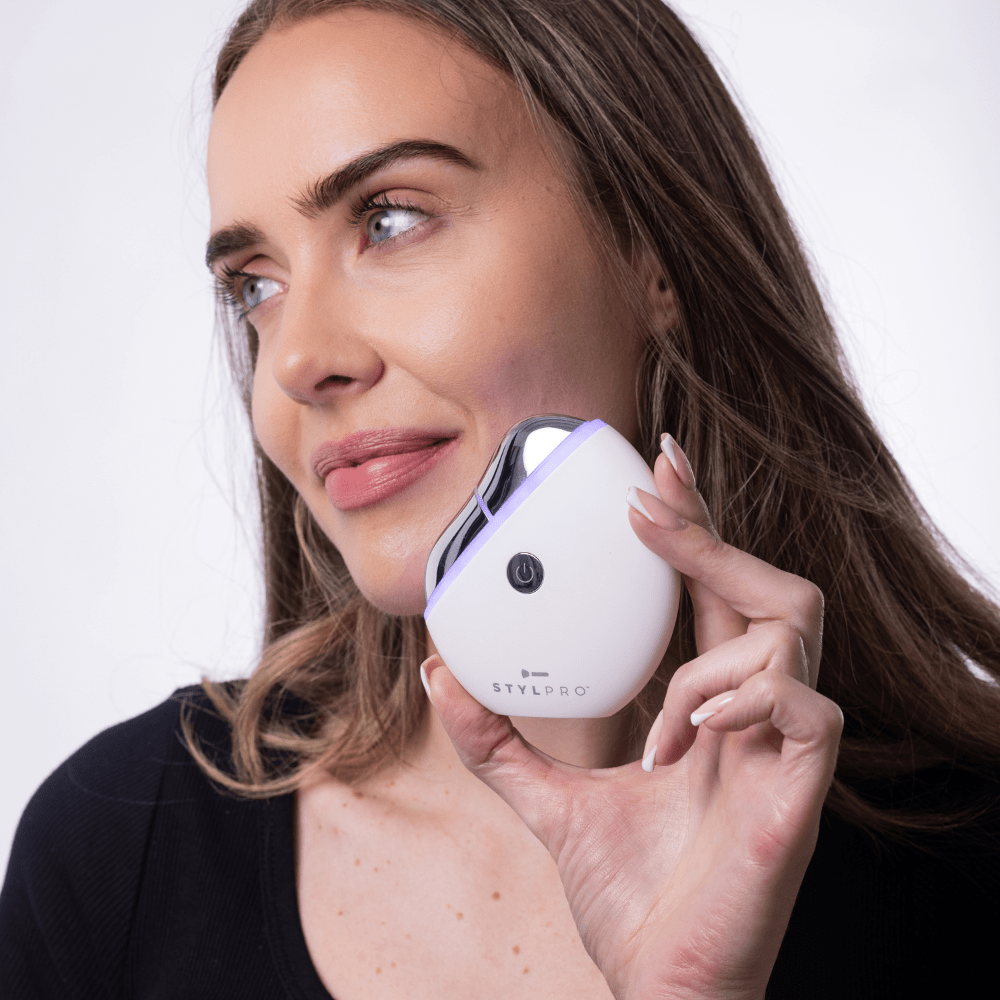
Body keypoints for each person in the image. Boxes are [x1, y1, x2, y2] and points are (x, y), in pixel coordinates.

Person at [2, 1, 998, 997]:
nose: (297, 360)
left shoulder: (970, 860)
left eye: (390, 221)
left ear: (649, 252)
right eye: (253, 285)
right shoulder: (113, 858)